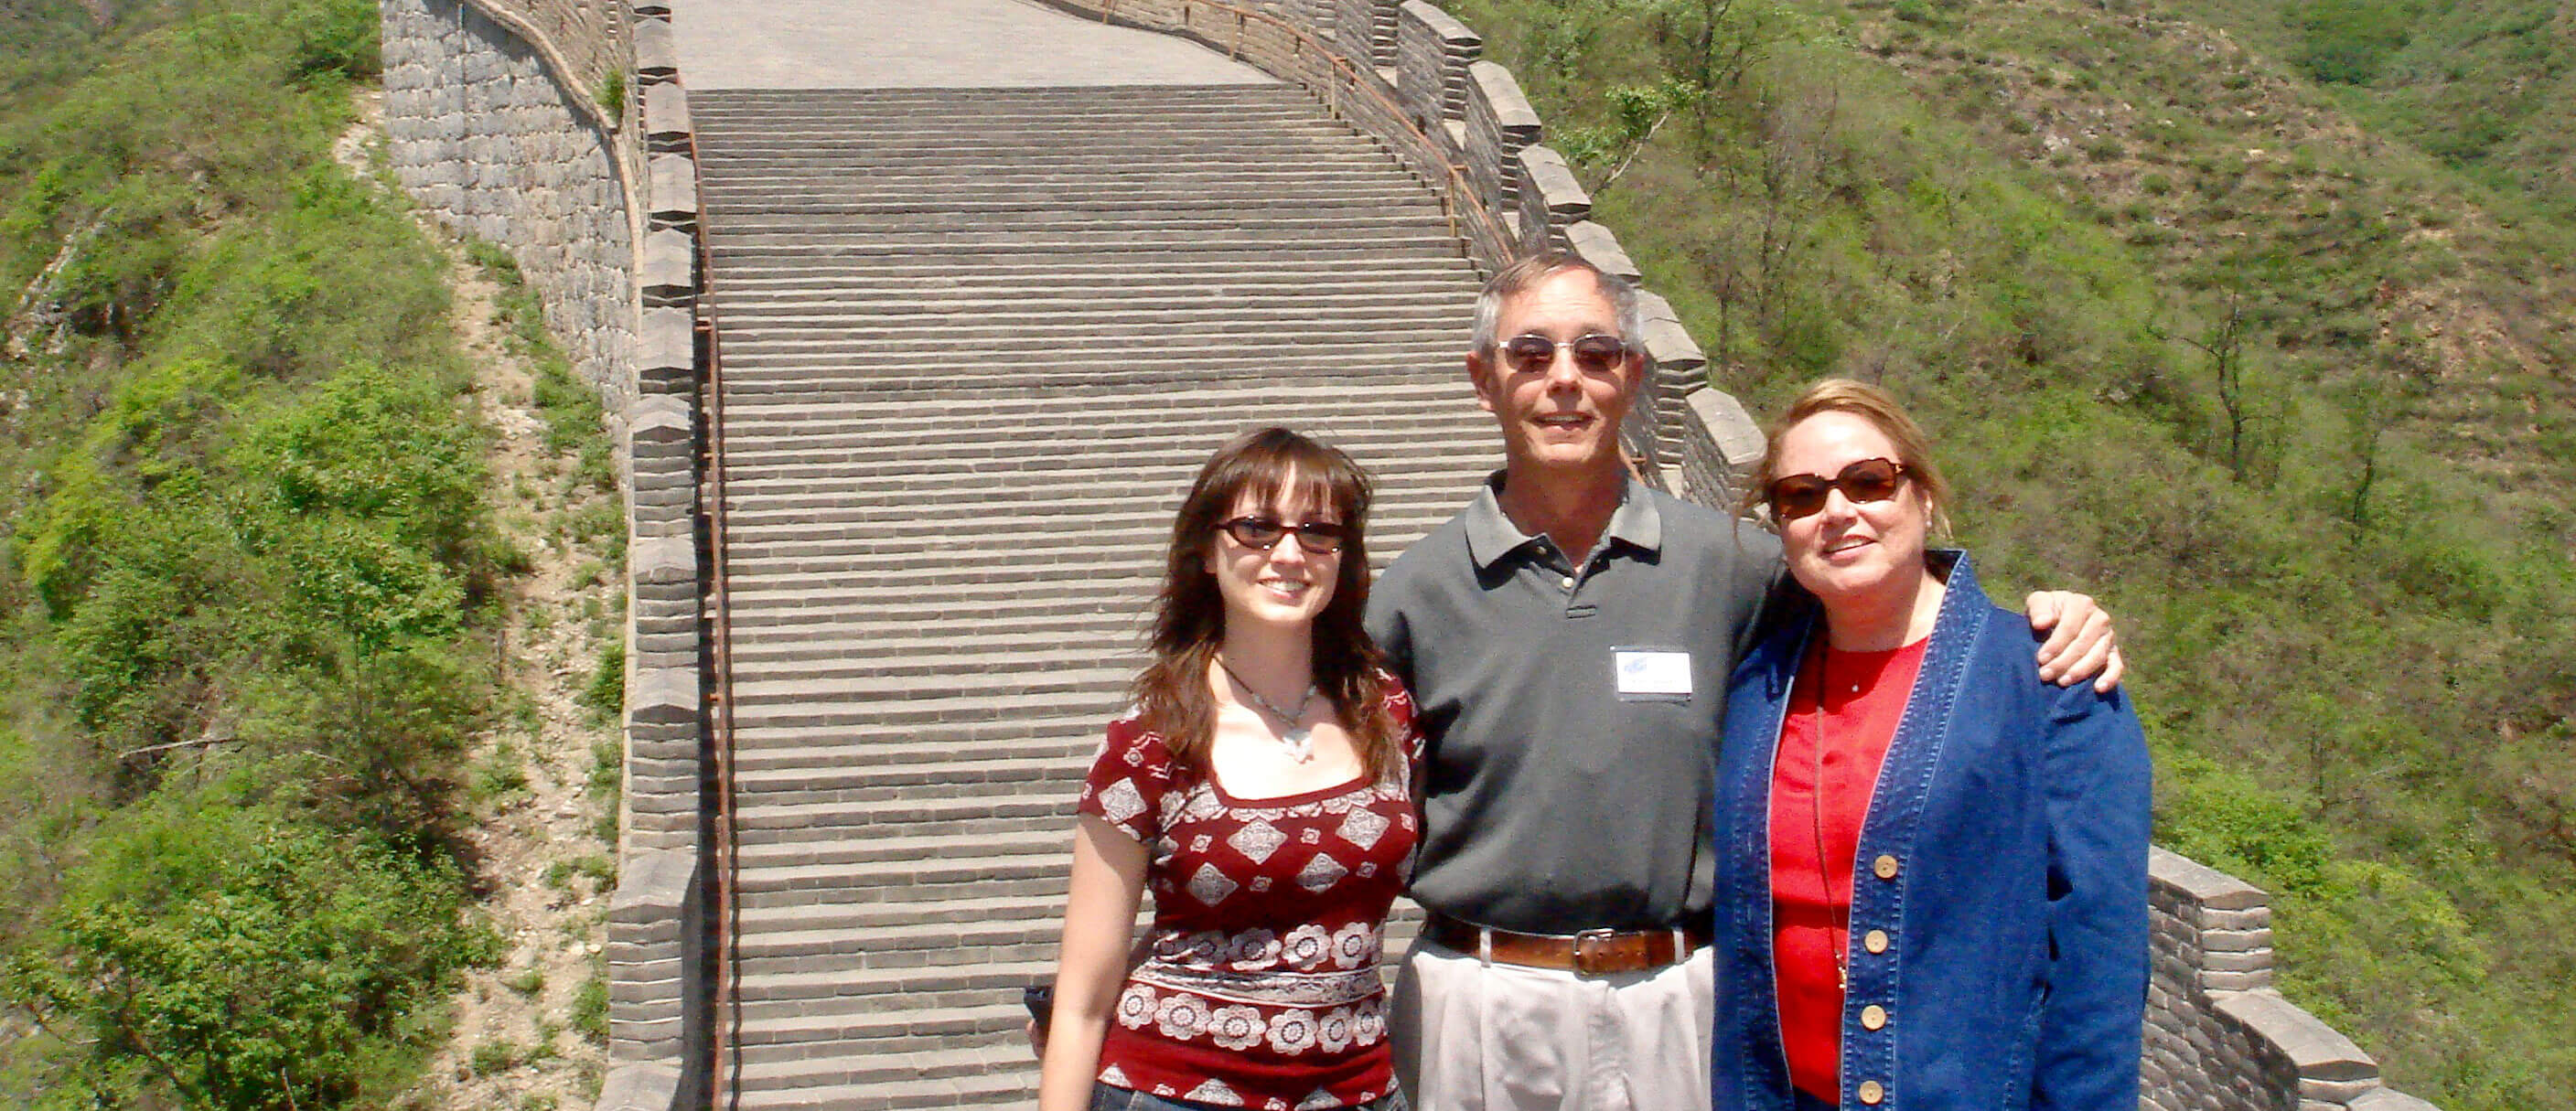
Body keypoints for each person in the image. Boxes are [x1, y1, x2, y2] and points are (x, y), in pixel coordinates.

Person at [1364, 251, 2123, 1111]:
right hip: (1482, 993)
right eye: (1531, 353)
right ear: (1482, 378)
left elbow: (1879, 594)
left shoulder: (1738, 568)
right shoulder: (1413, 593)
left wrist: (2040, 619)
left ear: (1636, 376)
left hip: (1683, 994)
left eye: (1597, 353)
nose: (1565, 380)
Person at [1709, 379, 2152, 1111]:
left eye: (1868, 481)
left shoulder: (2046, 679)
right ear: (1778, 524)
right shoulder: (1759, 683)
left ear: (1922, 495)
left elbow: (2099, 956)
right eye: (1802, 495)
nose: (1839, 511)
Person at [1038, 427, 1422, 1111]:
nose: (1288, 553)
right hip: (1176, 1092)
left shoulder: (1386, 714)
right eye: (1256, 528)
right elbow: (1084, 999)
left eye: (1318, 531)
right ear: (1207, 553)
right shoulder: (1151, 741)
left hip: (1357, 1089)